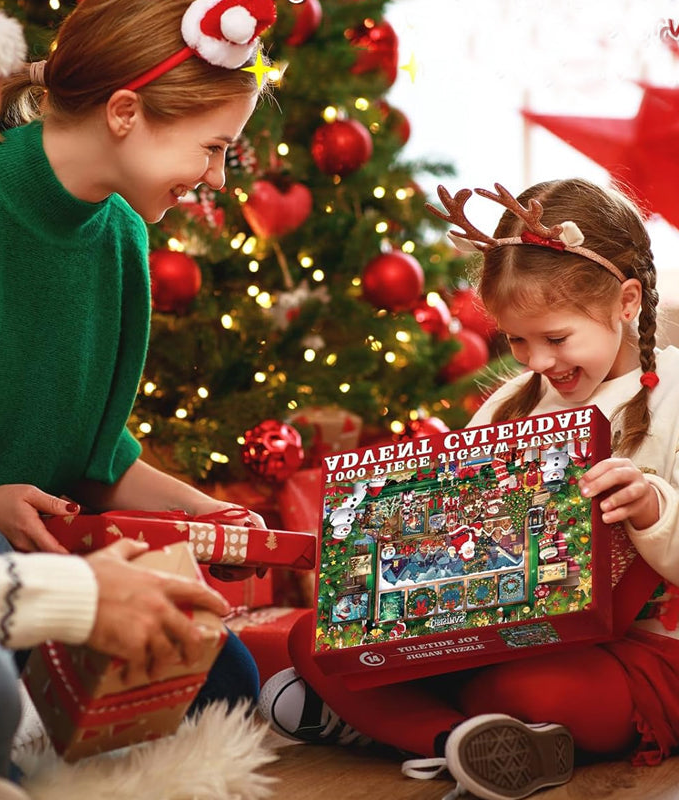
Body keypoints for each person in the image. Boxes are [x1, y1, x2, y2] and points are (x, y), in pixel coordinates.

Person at [0, 0, 270, 795]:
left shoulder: (123, 238)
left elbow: (97, 454)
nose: (220, 178)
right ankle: (4, 714)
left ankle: (21, 709)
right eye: (214, 148)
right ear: (125, 113)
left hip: (35, 561)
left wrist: (207, 511)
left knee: (226, 672)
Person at [259, 178, 679, 800]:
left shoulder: (672, 396)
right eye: (516, 339)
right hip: (498, 637)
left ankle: (405, 724)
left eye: (556, 338)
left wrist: (652, 509)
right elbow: (453, 531)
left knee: (528, 691)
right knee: (311, 639)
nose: (536, 361)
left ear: (626, 301)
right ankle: (453, 744)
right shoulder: (511, 404)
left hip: (634, 655)